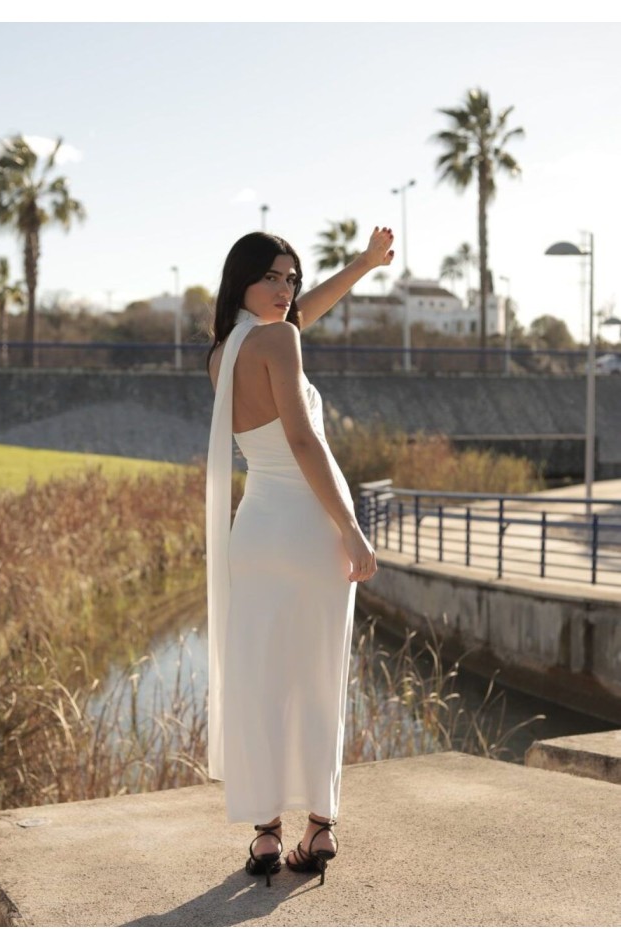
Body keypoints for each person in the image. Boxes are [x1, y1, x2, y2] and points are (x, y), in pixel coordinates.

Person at [205, 226, 394, 886]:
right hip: (311, 530)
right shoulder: (278, 340)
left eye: (293, 277)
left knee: (259, 678)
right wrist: (351, 527)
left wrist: (363, 265)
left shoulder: (227, 350)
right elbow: (305, 440)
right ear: (243, 281)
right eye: (274, 278)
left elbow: (305, 312)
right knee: (317, 675)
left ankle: (264, 836)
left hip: (254, 533)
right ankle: (319, 827)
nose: (287, 290)